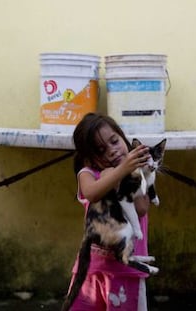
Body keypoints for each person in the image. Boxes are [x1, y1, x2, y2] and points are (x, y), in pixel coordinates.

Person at [67, 112, 155, 310]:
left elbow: (141, 209)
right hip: (91, 269)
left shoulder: (136, 173)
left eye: (115, 141)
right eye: (101, 150)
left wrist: (130, 173)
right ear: (89, 159)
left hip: (127, 272)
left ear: (122, 137)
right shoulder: (89, 174)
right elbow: (92, 193)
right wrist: (120, 171)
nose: (112, 151)